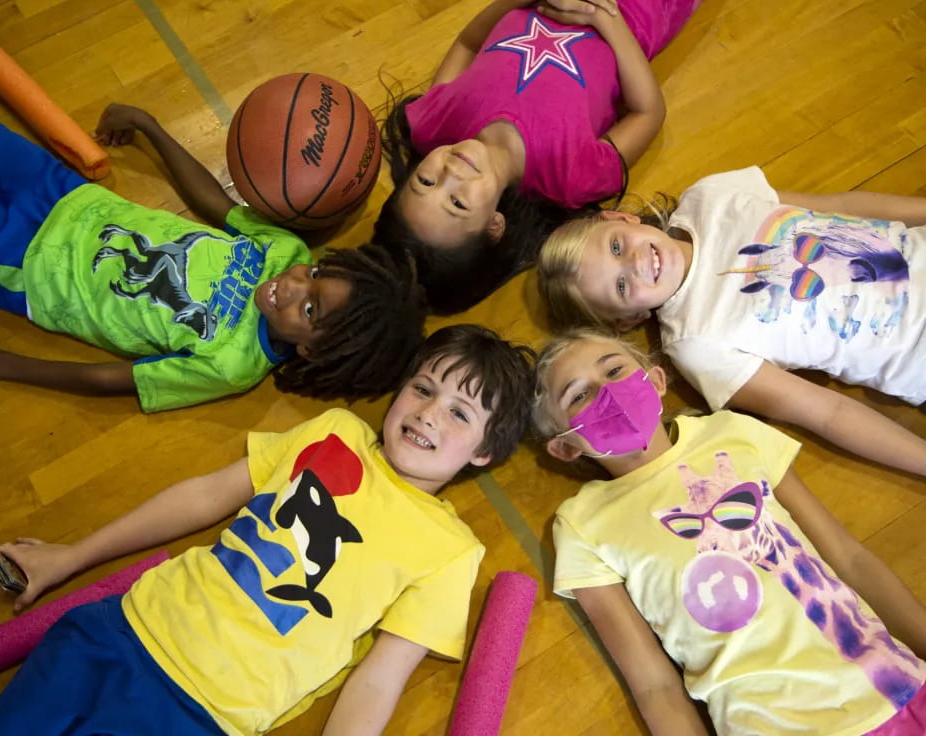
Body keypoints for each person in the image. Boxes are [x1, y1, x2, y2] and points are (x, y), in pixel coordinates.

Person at [0, 324, 536, 735]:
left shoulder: (450, 549)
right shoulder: (335, 430)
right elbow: (207, 495)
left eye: (460, 414)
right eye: (422, 388)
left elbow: (379, 678)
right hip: (121, 630)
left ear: (484, 453)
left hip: (208, 716)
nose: (429, 414)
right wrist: (72, 556)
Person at [532, 328, 926, 735]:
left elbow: (849, 559)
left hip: (899, 688)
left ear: (658, 378)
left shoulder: (732, 432)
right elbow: (654, 686)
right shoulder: (583, 523)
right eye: (578, 395)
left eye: (614, 369)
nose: (607, 393)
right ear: (565, 447)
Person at [0, 105, 427, 411]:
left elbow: (110, 380)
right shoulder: (285, 251)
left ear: (313, 351)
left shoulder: (230, 366)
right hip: (68, 193)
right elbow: (215, 204)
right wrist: (151, 127)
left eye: (310, 308)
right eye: (314, 274)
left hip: (32, 267)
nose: (293, 286)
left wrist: (11, 366)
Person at [536, 167, 926, 476]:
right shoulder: (695, 343)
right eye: (621, 286)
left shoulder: (710, 196)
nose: (635, 264)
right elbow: (827, 412)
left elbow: (840, 206)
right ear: (628, 319)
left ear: (621, 218)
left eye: (616, 246)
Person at [374, 0, 700, 312]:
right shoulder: (570, 178)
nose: (451, 175)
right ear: (494, 226)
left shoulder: (433, 123)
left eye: (426, 180)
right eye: (458, 202)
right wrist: (604, 16)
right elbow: (648, 113)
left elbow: (468, 43)